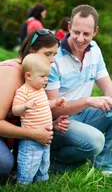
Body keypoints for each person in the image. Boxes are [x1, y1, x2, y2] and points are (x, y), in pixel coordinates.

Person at [46, 4, 112, 177]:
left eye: (86, 34)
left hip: (83, 116)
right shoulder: (55, 58)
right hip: (59, 123)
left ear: (95, 32)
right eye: (76, 32)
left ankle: (104, 165)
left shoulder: (95, 50)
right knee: (95, 141)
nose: (80, 39)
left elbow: (108, 86)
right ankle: (53, 162)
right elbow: (52, 109)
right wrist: (88, 101)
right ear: (69, 27)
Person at [0, 29, 69, 183]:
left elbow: (28, 115)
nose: (52, 60)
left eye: (55, 54)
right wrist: (33, 134)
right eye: (47, 54)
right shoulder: (11, 72)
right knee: (3, 164)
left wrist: (52, 125)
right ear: (32, 51)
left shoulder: (35, 78)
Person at [12, 53, 66, 185]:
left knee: (43, 159)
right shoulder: (23, 91)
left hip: (45, 135)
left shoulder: (40, 90)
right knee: (29, 160)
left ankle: (41, 179)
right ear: (28, 76)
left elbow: (44, 104)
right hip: (31, 137)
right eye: (42, 76)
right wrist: (24, 106)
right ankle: (24, 182)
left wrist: (55, 103)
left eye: (47, 76)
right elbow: (15, 110)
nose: (46, 79)